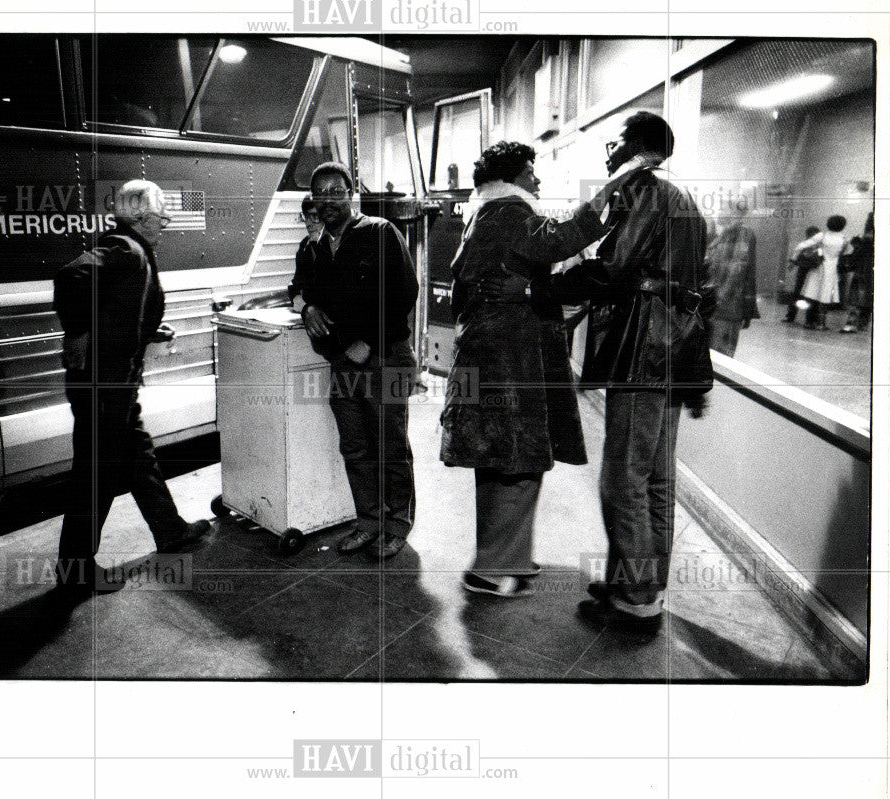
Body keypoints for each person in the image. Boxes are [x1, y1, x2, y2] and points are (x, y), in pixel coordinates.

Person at [526, 112, 712, 633]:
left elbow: (614, 268)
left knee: (622, 479)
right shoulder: (681, 200)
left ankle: (635, 597)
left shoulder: (645, 192)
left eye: (616, 142)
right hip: (676, 350)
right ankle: (641, 585)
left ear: (635, 149)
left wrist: (543, 289)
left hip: (644, 351)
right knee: (655, 478)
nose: (608, 151)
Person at [440, 141, 634, 597]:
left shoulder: (484, 215)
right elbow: (560, 236)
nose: (538, 180)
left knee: (501, 459)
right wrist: (610, 191)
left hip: (490, 356)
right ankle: (489, 569)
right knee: (514, 458)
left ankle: (513, 557)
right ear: (511, 179)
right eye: (532, 171)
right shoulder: (509, 212)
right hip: (509, 360)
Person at [53, 179, 211, 596]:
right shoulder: (126, 248)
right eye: (163, 215)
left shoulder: (131, 250)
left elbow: (113, 306)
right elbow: (72, 277)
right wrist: (77, 333)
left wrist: (146, 331)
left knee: (139, 455)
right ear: (142, 217)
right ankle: (76, 569)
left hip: (116, 385)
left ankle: (170, 529)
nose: (166, 222)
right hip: (103, 387)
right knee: (96, 474)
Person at [292, 162, 419, 560]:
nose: (328, 199)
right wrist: (307, 309)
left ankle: (397, 525)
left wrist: (371, 340)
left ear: (350, 194)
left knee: (391, 445)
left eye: (336, 190)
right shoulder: (315, 248)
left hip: (386, 357)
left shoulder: (380, 232)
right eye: (320, 193)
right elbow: (303, 291)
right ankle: (368, 522)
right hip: (343, 364)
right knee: (356, 447)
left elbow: (405, 293)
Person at [703, 203, 758, 357]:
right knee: (711, 352)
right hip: (716, 304)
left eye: (722, 209)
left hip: (726, 305)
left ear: (734, 213)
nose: (718, 213)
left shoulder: (743, 233)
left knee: (719, 354)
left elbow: (737, 270)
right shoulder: (724, 234)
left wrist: (719, 299)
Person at [792, 215, 848, 330]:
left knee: (811, 294)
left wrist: (793, 258)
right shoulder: (843, 238)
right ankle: (821, 323)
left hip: (819, 268)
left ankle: (809, 321)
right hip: (831, 270)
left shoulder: (822, 235)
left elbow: (802, 245)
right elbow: (845, 252)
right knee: (825, 296)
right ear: (843, 226)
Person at [840, 212, 874, 334]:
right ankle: (863, 323)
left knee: (857, 298)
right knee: (869, 298)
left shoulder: (867, 238)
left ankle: (851, 323)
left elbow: (858, 254)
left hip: (864, 270)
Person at [782, 226, 821, 324]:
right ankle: (808, 319)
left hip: (806, 271)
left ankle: (792, 316)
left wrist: (793, 263)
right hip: (810, 271)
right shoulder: (813, 246)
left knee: (798, 293)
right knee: (806, 294)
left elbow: (795, 257)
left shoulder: (805, 246)